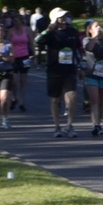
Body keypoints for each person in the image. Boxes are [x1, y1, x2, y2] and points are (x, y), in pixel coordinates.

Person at [38, 10, 83, 138]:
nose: (64, 18)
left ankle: (69, 125)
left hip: (70, 69)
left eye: (65, 16)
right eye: (61, 16)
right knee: (55, 99)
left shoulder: (73, 32)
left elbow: (78, 50)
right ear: (55, 19)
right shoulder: (51, 33)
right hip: (54, 70)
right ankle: (57, 126)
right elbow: (38, 41)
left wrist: (80, 67)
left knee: (72, 96)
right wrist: (47, 30)